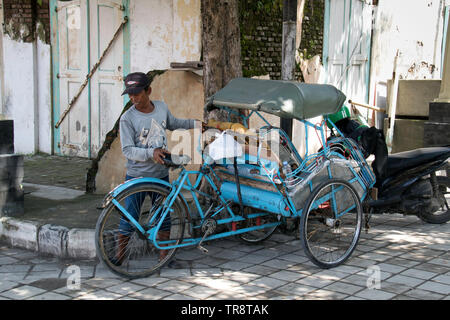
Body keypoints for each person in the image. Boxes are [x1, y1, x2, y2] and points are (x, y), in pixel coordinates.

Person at [112, 72, 201, 267]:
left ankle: (164, 257)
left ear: (148, 91)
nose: (133, 98)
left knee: (163, 217)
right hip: (136, 176)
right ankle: (119, 255)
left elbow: (174, 123)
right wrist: (151, 153)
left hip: (160, 176)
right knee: (130, 217)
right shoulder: (127, 118)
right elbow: (127, 150)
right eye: (130, 94)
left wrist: (197, 124)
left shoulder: (161, 108)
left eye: (137, 93)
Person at [327, 104, 388, 188]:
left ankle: (379, 186)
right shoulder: (353, 125)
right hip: (371, 147)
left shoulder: (344, 132)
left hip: (362, 151)